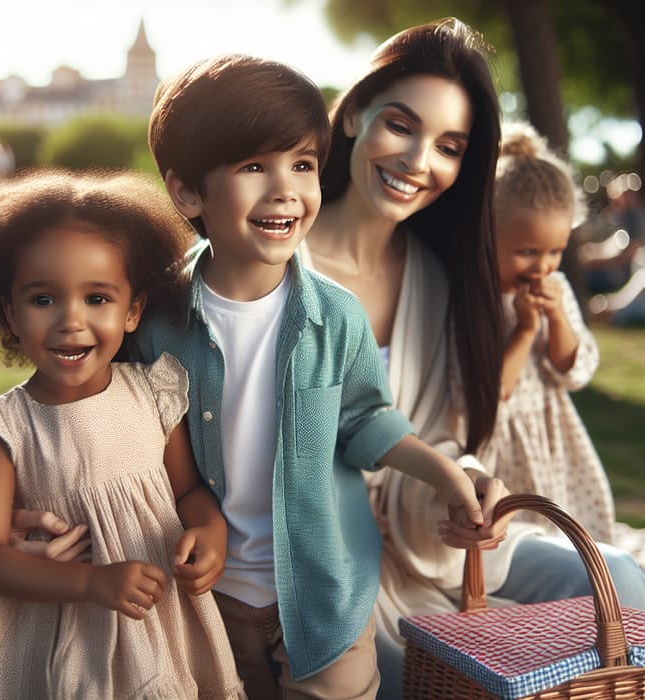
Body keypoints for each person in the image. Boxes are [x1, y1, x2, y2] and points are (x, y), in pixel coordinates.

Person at [129, 54, 508, 700]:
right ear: (188, 191)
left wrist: (448, 474)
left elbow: (366, 420)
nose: (286, 190)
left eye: (302, 164)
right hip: (204, 599)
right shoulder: (155, 317)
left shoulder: (337, 315)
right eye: (255, 166)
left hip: (324, 592)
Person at [297, 18, 645, 699]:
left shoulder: (437, 274)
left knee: (618, 585)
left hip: (436, 542)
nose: (419, 161)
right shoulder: (277, 264)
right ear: (353, 116)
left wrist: (465, 484)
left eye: (450, 146)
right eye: (401, 125)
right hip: (329, 565)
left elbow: (448, 433)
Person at [0, 168, 245, 699]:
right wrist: (90, 582)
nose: (70, 321)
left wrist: (210, 532)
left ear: (133, 311)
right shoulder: (4, 427)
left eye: (97, 299)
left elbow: (189, 492)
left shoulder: (154, 394)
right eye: (43, 300)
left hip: (156, 621)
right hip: (47, 633)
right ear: (10, 312)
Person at [481, 121, 617, 543]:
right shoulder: (481, 300)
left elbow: (571, 370)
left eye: (555, 252)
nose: (542, 266)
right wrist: (523, 331)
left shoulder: (557, 291)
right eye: (527, 252)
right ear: (489, 235)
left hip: (553, 436)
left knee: (569, 534)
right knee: (522, 537)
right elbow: (491, 394)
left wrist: (556, 320)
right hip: (503, 448)